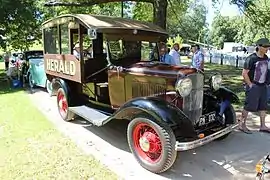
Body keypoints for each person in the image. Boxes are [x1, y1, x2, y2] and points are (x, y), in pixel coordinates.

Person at [238, 38, 270, 134]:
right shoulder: (251, 58)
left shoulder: (266, 58)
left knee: (263, 106)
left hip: (263, 86)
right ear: (259, 47)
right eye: (265, 46)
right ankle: (242, 125)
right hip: (254, 85)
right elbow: (244, 73)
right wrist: (250, 85)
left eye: (268, 46)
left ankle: (263, 126)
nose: (267, 48)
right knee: (248, 106)